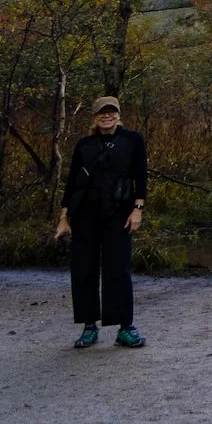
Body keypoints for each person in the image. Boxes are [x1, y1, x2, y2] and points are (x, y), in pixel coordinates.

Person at [54, 95, 148, 348]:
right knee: (84, 270)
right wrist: (64, 219)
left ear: (119, 114)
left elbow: (141, 177)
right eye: (102, 113)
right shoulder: (84, 145)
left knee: (118, 269)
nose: (107, 116)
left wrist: (137, 209)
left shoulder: (132, 141)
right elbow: (72, 183)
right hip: (85, 216)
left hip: (119, 215)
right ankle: (88, 327)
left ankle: (125, 327)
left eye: (112, 112)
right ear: (94, 117)